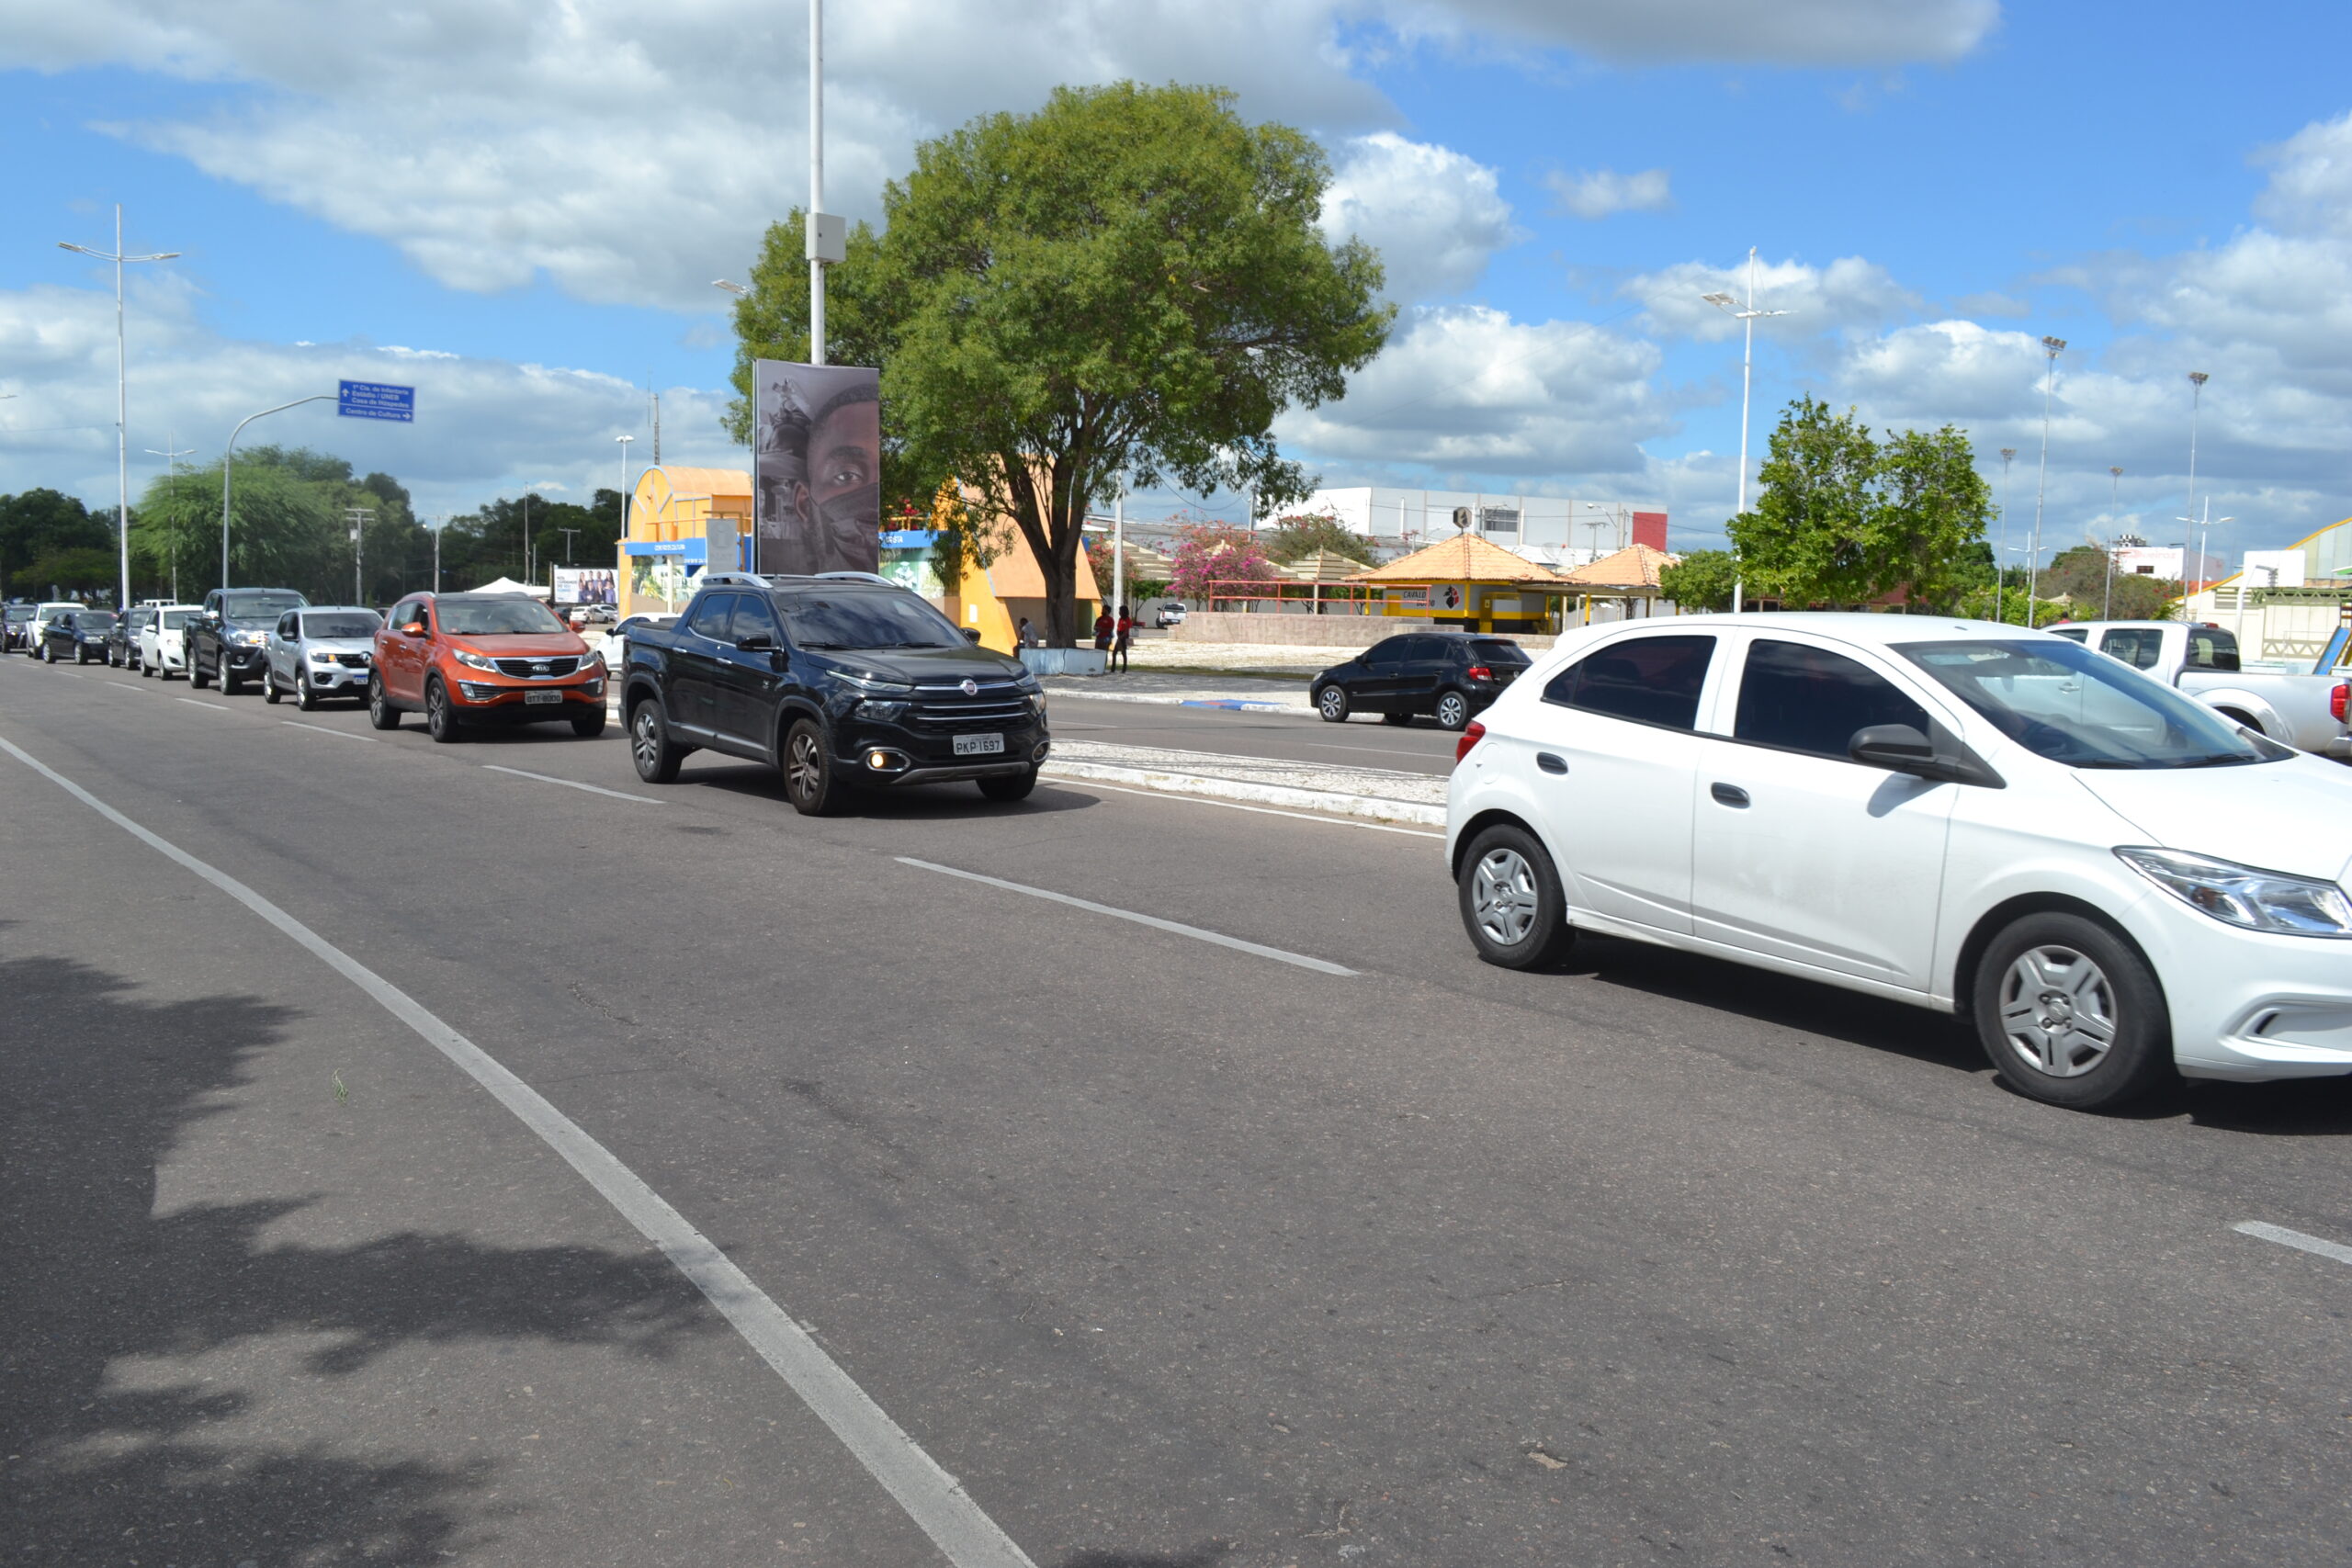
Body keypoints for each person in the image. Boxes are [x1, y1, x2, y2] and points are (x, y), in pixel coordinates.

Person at [1112, 604, 1133, 672]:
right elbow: (1118, 628)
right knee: (1114, 653)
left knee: (1124, 653)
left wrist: (1122, 636)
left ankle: (1124, 668)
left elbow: (1127, 630)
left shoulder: (1127, 619)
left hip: (1124, 637)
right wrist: (1118, 635)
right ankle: (1113, 668)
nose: (1119, 612)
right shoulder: (1120, 619)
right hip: (1119, 636)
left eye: (1120, 611)